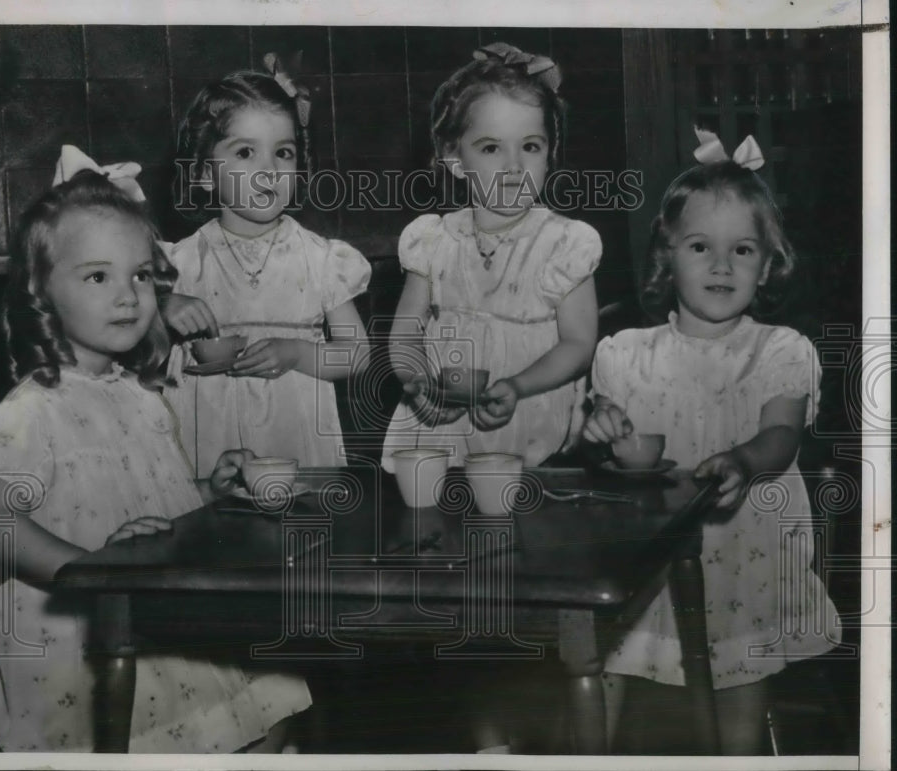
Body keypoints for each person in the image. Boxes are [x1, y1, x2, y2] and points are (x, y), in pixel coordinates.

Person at [0, 167, 311, 752]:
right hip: (80, 639)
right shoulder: (30, 414)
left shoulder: (136, 394)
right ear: (41, 292)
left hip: (156, 617)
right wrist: (93, 575)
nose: (128, 294)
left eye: (141, 274)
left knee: (265, 711)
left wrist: (209, 488)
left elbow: (147, 494)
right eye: (98, 276)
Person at [582, 129, 841, 754]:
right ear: (666, 257)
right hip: (648, 567)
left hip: (745, 557)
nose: (722, 265)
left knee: (737, 686)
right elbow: (606, 451)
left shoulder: (780, 351)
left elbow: (780, 435)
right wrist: (601, 434)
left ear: (768, 263)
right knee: (602, 659)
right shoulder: (624, 355)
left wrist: (744, 460)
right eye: (701, 246)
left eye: (742, 249)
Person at [382, 42, 600, 471]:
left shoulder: (563, 244)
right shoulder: (433, 242)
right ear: (455, 159)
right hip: (441, 426)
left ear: (549, 154)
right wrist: (418, 382)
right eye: (491, 148)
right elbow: (404, 334)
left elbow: (579, 343)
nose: (514, 167)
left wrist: (518, 386)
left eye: (531, 147)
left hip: (526, 417)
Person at [162, 54, 371, 475]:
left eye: (283, 153)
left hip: (296, 443)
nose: (268, 171)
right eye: (245, 152)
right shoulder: (177, 264)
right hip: (208, 449)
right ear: (205, 173)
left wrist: (297, 353)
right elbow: (127, 347)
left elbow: (358, 356)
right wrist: (161, 309)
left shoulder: (320, 259)